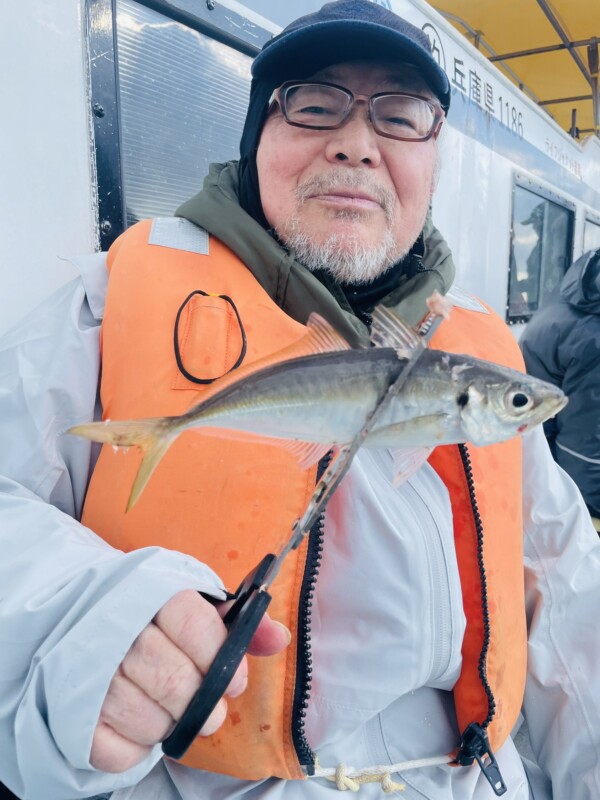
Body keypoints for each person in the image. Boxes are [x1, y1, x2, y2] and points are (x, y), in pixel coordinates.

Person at [1, 2, 599, 799]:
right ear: (257, 142)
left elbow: (569, 596)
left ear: (434, 159)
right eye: (314, 104)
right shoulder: (104, 306)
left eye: (403, 113)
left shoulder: (483, 355)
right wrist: (79, 614)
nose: (356, 142)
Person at [520, 247, 600, 531]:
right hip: (547, 463)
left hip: (531, 442)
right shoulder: (594, 339)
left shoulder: (581, 297)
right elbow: (582, 449)